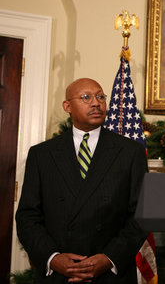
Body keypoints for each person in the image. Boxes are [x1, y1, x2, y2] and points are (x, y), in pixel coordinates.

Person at [16, 78, 148, 283]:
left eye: (100, 96)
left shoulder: (131, 152)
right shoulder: (42, 154)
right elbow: (27, 217)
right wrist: (53, 258)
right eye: (86, 97)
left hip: (110, 274)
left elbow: (141, 215)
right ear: (67, 106)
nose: (96, 103)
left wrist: (108, 259)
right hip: (57, 276)